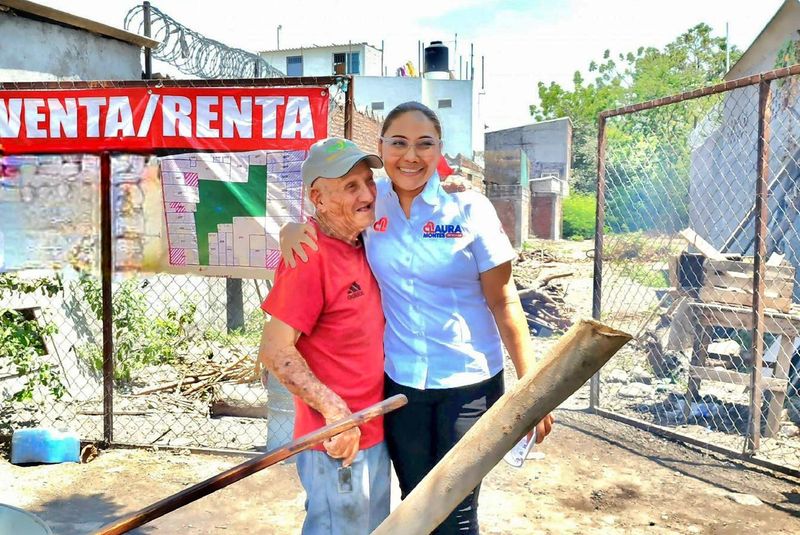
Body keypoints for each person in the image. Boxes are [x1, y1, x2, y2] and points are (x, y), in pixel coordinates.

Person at [282, 102, 554, 534]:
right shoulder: (372, 204)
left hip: (469, 385)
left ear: (440, 149)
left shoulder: (468, 208)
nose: (411, 156)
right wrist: (291, 229)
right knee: (416, 508)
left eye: (424, 144)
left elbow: (504, 300)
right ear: (382, 147)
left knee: (456, 512)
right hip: (402, 386)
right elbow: (329, 218)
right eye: (399, 143)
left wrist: (534, 386)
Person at [257, 138, 389, 535]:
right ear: (319, 197)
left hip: (372, 429)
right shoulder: (309, 255)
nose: (367, 194)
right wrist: (336, 415)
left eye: (369, 182)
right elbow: (275, 350)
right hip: (336, 439)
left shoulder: (366, 241)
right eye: (351, 187)